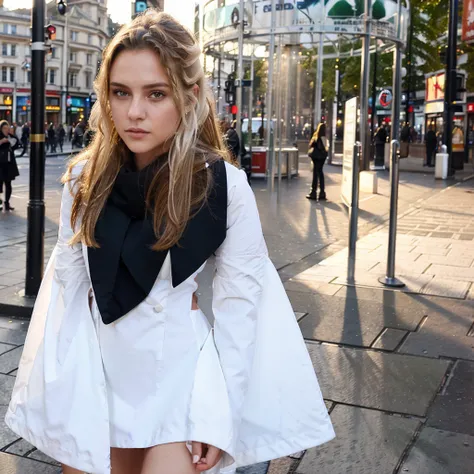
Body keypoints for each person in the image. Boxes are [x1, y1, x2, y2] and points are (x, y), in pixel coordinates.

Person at [5, 11, 334, 474]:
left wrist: (224, 414)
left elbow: (243, 305)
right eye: (121, 92)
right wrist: (61, 398)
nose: (134, 112)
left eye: (155, 94)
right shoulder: (84, 178)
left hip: (179, 376)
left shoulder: (222, 185)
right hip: (97, 374)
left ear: (188, 95)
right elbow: (67, 295)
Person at [0, 120, 20, 211]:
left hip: (9, 164)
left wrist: (12, 137)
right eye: (4, 128)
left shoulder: (11, 137)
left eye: (7, 128)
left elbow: (18, 145)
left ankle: (7, 203)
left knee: (8, 184)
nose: (6, 130)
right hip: (0, 164)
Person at [307, 122, 328, 201]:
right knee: (320, 173)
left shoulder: (316, 137)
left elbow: (311, 145)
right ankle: (322, 192)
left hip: (316, 157)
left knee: (315, 174)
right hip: (322, 158)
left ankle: (313, 193)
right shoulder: (324, 138)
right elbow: (326, 148)